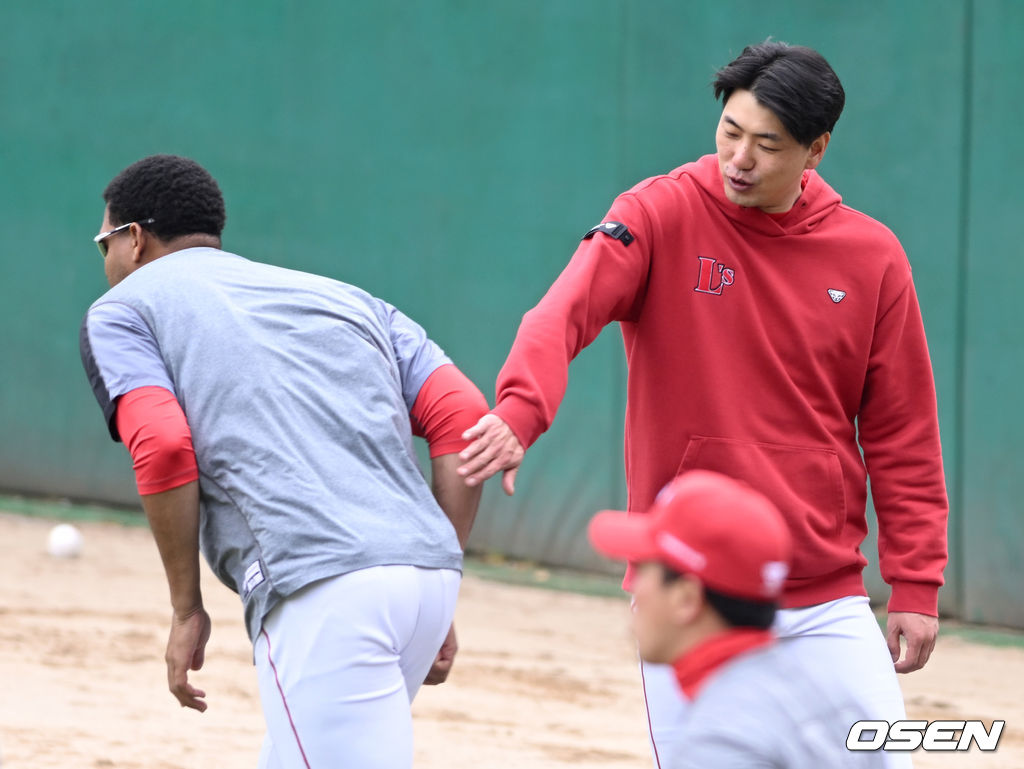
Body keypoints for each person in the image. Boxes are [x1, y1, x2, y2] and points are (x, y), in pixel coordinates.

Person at [458, 41, 947, 768]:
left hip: (826, 600)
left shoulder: (873, 256)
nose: (739, 159)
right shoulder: (657, 213)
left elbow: (903, 431)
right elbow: (563, 313)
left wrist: (915, 582)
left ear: (816, 151)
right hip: (692, 593)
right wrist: (519, 409)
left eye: (767, 145)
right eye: (730, 132)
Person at [79, 154, 489, 768]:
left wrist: (186, 607)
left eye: (104, 243)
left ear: (134, 239)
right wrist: (427, 561)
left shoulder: (123, 308)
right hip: (428, 582)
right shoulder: (351, 299)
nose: (106, 261)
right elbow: (463, 416)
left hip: (323, 592)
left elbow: (163, 445)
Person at [589, 470, 887, 768]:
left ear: (687, 600)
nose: (635, 588)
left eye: (644, 570)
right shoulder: (834, 698)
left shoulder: (718, 742)